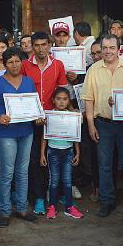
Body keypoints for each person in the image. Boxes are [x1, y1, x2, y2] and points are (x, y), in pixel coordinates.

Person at [81, 34, 123, 218]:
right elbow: (88, 99)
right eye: (104, 48)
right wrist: (90, 124)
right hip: (102, 123)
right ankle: (107, 201)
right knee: (104, 165)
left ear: (119, 48)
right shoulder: (93, 70)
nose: (107, 51)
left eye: (111, 48)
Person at [0, 47, 40, 227]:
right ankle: (4, 211)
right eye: (10, 62)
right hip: (4, 134)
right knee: (7, 172)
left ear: (22, 62)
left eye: (17, 61)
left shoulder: (29, 82)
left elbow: (34, 105)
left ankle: (22, 208)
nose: (14, 65)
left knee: (22, 172)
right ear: (5, 64)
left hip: (26, 132)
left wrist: (38, 116)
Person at [21, 32, 68, 214]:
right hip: (31, 120)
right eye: (37, 45)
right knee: (34, 160)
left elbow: (63, 92)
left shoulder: (58, 65)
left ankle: (56, 195)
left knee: (55, 158)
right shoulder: (25, 66)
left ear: (50, 45)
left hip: (52, 119)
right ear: (32, 46)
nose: (41, 49)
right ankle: (39, 197)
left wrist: (69, 112)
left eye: (44, 44)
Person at [40, 87, 83, 219]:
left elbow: (75, 135)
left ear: (69, 101)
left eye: (65, 99)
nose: (61, 102)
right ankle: (51, 206)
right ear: (53, 100)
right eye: (58, 99)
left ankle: (69, 207)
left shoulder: (72, 116)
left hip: (68, 152)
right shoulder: (49, 115)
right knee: (54, 181)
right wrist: (42, 153)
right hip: (53, 151)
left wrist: (77, 152)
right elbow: (44, 136)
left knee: (67, 181)